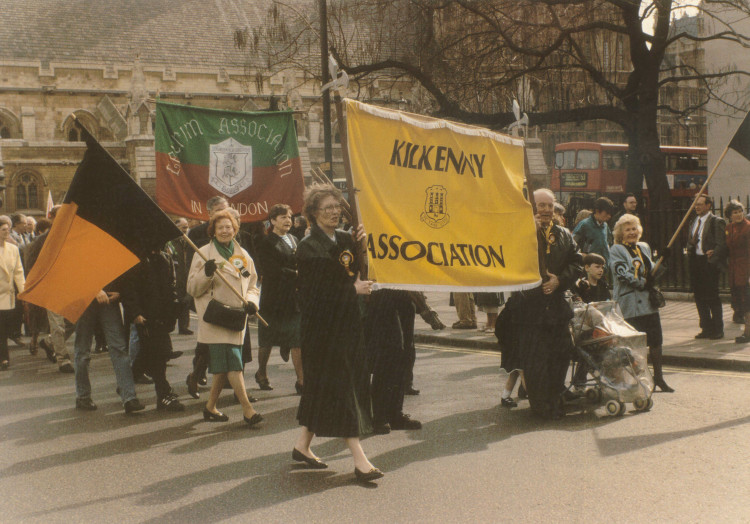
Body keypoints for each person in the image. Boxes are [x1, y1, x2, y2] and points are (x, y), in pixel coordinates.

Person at [293, 186, 382, 482]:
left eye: (336, 207)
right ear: (313, 214)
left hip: (347, 324)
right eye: (326, 208)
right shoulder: (308, 247)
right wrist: (351, 290)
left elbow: (360, 270)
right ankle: (360, 460)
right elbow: (315, 294)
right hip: (322, 331)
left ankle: (302, 446)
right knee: (342, 388)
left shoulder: (346, 239)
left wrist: (364, 248)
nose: (333, 212)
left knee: (323, 388)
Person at [187, 209, 262, 427]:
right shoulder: (202, 253)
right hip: (215, 318)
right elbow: (192, 288)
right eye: (220, 227)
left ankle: (210, 407)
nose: (225, 231)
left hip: (236, 318)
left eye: (228, 227)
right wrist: (206, 273)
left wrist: (252, 303)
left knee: (223, 366)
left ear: (235, 229)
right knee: (233, 364)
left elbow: (252, 284)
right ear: (213, 231)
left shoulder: (243, 255)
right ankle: (248, 409)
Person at [517, 189, 583, 419]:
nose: (545, 210)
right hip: (531, 307)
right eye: (540, 205)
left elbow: (578, 263)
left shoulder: (564, 234)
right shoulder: (520, 232)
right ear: (531, 207)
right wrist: (528, 233)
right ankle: (540, 405)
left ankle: (556, 398)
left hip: (557, 307)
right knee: (536, 359)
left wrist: (559, 280)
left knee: (561, 354)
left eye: (549, 205)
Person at [610, 213, 673, 392]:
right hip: (630, 305)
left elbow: (653, 273)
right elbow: (621, 273)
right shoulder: (616, 250)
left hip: (648, 304)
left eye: (634, 228)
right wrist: (643, 283)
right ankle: (641, 380)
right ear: (620, 233)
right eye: (627, 229)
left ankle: (659, 378)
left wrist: (663, 259)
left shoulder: (644, 247)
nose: (632, 232)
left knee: (655, 341)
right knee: (635, 346)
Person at [121, 249, 184, 412]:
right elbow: (129, 288)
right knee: (158, 355)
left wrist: (173, 309)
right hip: (146, 316)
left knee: (149, 352)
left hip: (162, 314)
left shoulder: (163, 258)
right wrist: (135, 313)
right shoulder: (134, 259)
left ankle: (128, 380)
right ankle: (164, 395)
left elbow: (170, 285)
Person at [73, 279, 145, 413]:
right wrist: (94, 289)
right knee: (83, 352)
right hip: (85, 298)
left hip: (107, 297)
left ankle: (129, 397)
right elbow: (75, 270)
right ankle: (83, 395)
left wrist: (119, 292)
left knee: (118, 348)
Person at [254, 204, 304, 393]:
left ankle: (301, 381)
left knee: (296, 340)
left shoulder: (294, 239)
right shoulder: (266, 242)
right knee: (267, 341)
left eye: (289, 217)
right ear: (272, 220)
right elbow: (273, 271)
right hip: (274, 301)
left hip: (293, 300)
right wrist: (299, 273)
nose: (287, 220)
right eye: (282, 217)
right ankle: (261, 373)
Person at [186, 196, 229, 398]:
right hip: (207, 295)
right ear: (210, 213)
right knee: (208, 340)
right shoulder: (196, 234)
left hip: (230, 295)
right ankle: (197, 373)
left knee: (230, 340)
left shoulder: (233, 230)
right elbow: (191, 269)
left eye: (226, 209)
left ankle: (231, 379)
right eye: (219, 210)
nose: (224, 214)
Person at [365, 289, 422, 434]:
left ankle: (395, 414)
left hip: (404, 294)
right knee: (389, 353)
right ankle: (379, 416)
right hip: (382, 295)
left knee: (405, 355)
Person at [687, 194, 727, 340]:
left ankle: (717, 329)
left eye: (700, 204)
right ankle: (706, 328)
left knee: (712, 297)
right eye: (695, 204)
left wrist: (713, 256)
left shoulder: (716, 221)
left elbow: (721, 244)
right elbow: (690, 241)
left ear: (708, 205)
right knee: (699, 297)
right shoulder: (693, 221)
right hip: (696, 262)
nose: (696, 207)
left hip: (708, 263)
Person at [0, 216, 25, 370]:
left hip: (7, 297)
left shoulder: (13, 249)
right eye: (3, 230)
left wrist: (23, 292)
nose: (7, 232)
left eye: (8, 229)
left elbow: (18, 272)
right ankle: (4, 358)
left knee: (5, 328)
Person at [724, 200, 750, 343]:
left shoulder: (748, 227)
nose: (739, 214)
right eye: (735, 212)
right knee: (739, 300)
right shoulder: (729, 228)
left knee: (747, 301)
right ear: (730, 215)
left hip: (746, 269)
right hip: (734, 270)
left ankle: (748, 333)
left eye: (740, 211)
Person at [165, 218, 193, 335]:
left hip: (186, 276)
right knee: (174, 303)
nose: (186, 230)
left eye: (187, 227)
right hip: (175, 276)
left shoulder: (188, 242)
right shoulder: (170, 242)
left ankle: (184, 327)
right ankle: (169, 325)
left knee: (185, 302)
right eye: (183, 227)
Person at [572, 197, 614, 265]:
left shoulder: (605, 226)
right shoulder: (584, 224)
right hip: (589, 269)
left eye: (610, 214)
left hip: (604, 268)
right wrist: (582, 255)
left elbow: (610, 244)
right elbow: (572, 245)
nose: (609, 216)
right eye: (607, 213)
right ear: (597, 211)